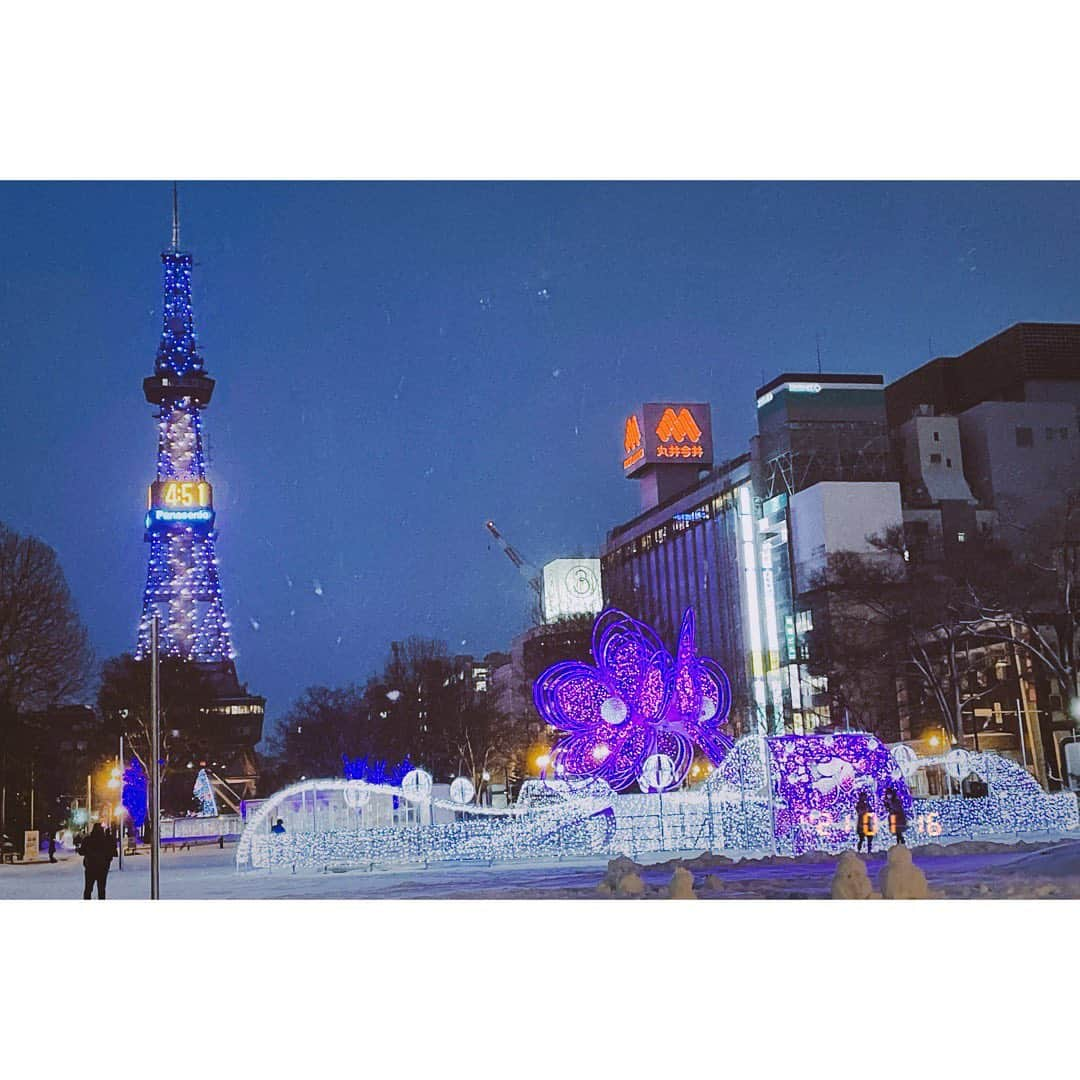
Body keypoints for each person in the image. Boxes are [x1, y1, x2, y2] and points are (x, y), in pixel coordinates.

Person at [81, 823, 117, 899]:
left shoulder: (88, 839)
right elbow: (113, 852)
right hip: (103, 868)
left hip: (90, 868)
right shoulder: (106, 840)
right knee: (101, 889)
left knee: (88, 889)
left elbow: (81, 852)